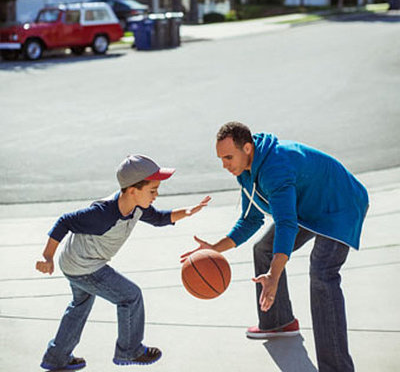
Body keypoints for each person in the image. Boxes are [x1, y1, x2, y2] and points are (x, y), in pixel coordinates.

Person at [182, 121, 369, 372]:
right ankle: (278, 321)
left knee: (323, 274)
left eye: (228, 157)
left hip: (340, 204)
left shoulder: (274, 168)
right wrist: (215, 248)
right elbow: (251, 219)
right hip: (310, 206)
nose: (224, 164)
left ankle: (337, 368)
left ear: (247, 148)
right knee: (263, 249)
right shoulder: (247, 171)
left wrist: (274, 274)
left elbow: (286, 224)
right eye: (221, 159)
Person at [36, 154, 210, 370]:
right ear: (132, 190)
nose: (156, 195)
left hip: (76, 262)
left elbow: (159, 218)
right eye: (152, 190)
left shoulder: (136, 207)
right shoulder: (103, 213)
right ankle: (130, 350)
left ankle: (56, 357)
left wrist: (188, 212)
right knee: (130, 295)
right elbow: (65, 221)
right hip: (84, 266)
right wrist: (47, 256)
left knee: (80, 306)